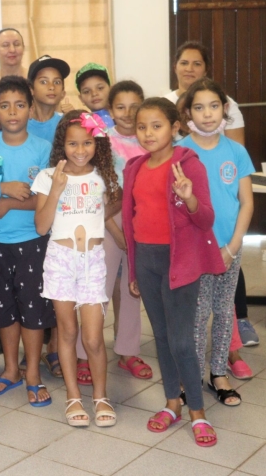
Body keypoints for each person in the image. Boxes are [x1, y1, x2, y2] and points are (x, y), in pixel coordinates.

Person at [123, 97, 223, 447]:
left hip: (179, 261)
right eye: (142, 127)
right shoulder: (135, 167)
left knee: (181, 341)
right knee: (162, 337)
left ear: (174, 127)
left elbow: (206, 219)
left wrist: (189, 197)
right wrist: (134, 270)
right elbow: (131, 222)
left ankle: (198, 411)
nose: (148, 133)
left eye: (157, 125)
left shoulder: (188, 165)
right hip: (146, 260)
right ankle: (172, 403)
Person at [34, 111, 119, 427]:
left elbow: (116, 203)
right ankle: (73, 397)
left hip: (92, 261)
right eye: (73, 143)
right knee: (67, 331)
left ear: (97, 144)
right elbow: (41, 226)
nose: (80, 150)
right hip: (60, 260)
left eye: (87, 143)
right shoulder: (48, 176)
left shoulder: (103, 176)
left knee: (94, 338)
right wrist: (57, 189)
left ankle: (100, 396)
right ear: (62, 144)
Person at [0, 76, 55, 407]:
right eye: (5, 106)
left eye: (20, 105)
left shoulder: (42, 149)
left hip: (33, 241)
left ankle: (33, 373)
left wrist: (10, 203)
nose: (12, 112)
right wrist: (2, 189)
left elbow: (46, 199)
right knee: (3, 310)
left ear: (31, 109)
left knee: (33, 310)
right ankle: (10, 370)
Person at [178, 79, 253, 407]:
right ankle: (191, 376)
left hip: (229, 248)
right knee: (196, 314)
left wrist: (232, 247)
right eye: (199, 107)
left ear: (224, 109)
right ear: (188, 112)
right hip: (195, 250)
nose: (207, 114)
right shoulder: (180, 152)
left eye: (213, 106)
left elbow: (246, 202)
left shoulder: (236, 151)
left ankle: (219, 373)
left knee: (224, 311)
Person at [81, 81, 153, 383]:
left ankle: (127, 351)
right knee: (98, 290)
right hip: (107, 223)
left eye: (134, 106)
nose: (127, 113)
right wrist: (116, 232)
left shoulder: (150, 141)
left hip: (142, 223)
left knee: (133, 289)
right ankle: (84, 354)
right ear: (110, 110)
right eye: (120, 107)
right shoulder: (103, 143)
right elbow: (97, 194)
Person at [164, 40, 244, 145]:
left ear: (206, 70)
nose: (189, 69)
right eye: (184, 63)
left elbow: (236, 149)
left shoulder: (226, 103)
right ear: (175, 67)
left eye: (197, 64)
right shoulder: (163, 104)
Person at [26, 55, 70, 142]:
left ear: (63, 93)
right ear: (31, 90)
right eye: (44, 82)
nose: (51, 87)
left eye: (57, 82)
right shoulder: (19, 123)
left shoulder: (67, 123)